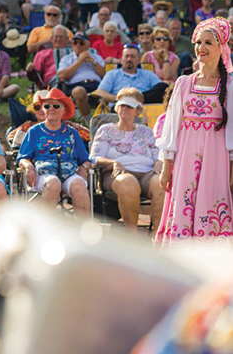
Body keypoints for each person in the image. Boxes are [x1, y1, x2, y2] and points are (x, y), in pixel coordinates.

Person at [155, 17, 233, 245]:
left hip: (216, 158)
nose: (201, 48)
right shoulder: (183, 83)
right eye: (198, 42)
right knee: (183, 202)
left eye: (208, 43)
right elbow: (171, 128)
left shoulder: (229, 86)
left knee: (212, 202)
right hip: (185, 158)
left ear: (221, 47)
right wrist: (167, 166)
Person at [90, 87, 164, 231]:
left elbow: (158, 154)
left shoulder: (147, 132)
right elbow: (94, 157)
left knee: (162, 184)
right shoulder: (106, 130)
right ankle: (132, 236)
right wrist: (114, 162)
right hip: (116, 174)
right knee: (128, 182)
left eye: (129, 106)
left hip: (146, 174)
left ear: (137, 111)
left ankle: (158, 237)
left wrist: (159, 163)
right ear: (116, 108)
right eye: (121, 105)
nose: (124, 108)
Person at [17, 88, 92, 218]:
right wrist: (28, 166)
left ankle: (85, 231)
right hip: (43, 175)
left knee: (79, 184)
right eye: (47, 106)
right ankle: (42, 228)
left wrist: (85, 168)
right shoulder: (34, 131)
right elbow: (22, 158)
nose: (51, 108)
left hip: (69, 173)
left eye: (56, 106)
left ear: (63, 110)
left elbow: (85, 159)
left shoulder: (72, 132)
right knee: (54, 182)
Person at [93, 44, 166, 105]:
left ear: (138, 60)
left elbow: (161, 88)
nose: (129, 59)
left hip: (144, 108)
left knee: (164, 86)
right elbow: (100, 92)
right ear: (121, 59)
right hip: (120, 108)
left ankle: (136, 99)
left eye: (132, 56)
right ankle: (132, 99)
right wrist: (119, 99)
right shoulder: (112, 74)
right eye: (127, 56)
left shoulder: (148, 74)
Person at [58, 32, 106, 117]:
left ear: (88, 45)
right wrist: (79, 61)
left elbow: (104, 75)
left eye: (81, 43)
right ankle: (88, 122)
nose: (78, 45)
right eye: (75, 43)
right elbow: (61, 76)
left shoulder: (97, 58)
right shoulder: (67, 59)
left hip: (96, 86)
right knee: (79, 91)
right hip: (76, 86)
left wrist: (93, 62)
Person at [26, 24, 72, 88]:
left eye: (61, 37)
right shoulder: (42, 54)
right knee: (60, 84)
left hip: (71, 79)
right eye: (56, 37)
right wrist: (30, 70)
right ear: (51, 39)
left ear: (67, 39)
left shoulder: (72, 53)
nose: (58, 39)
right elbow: (36, 76)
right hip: (51, 83)